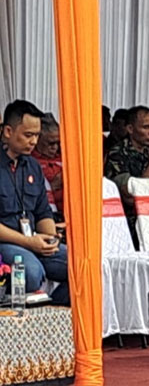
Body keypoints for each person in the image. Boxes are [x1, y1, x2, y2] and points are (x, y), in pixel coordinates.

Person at [0, 100, 69, 306]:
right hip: (6, 242)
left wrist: (50, 238)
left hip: (33, 241)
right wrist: (28, 242)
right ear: (8, 132)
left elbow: (43, 212)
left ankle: (52, 310)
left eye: (37, 135)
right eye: (28, 135)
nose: (33, 141)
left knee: (85, 267)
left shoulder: (33, 166)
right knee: (30, 272)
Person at [104, 106, 149, 247]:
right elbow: (129, 197)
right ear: (130, 129)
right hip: (129, 224)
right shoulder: (118, 153)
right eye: (146, 127)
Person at [32, 113, 64, 218]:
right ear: (38, 139)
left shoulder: (65, 157)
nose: (55, 147)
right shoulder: (30, 162)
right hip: (45, 214)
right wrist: (51, 187)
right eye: (50, 143)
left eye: (58, 143)